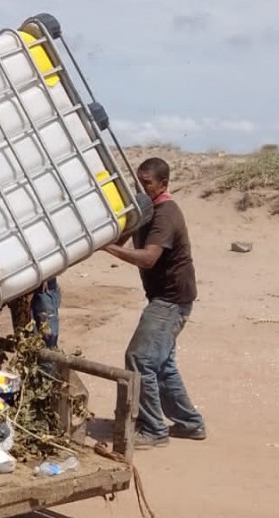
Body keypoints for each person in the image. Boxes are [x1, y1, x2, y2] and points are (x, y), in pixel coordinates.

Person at [103, 157, 206, 449]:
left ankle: (153, 430)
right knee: (162, 365)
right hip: (166, 297)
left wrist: (105, 247)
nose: (141, 187)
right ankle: (190, 424)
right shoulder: (146, 211)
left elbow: (148, 258)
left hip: (170, 301)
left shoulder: (165, 214)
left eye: (146, 183)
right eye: (138, 181)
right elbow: (121, 238)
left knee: (139, 359)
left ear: (163, 184)